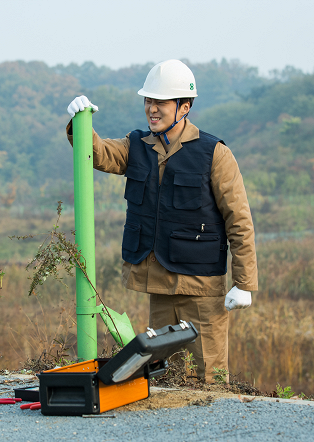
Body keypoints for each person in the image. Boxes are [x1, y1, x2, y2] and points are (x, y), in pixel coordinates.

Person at [65, 60, 257, 382]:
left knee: (207, 379)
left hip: (201, 289)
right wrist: (79, 125)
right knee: (164, 378)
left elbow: (239, 220)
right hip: (160, 285)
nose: (152, 109)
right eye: (148, 101)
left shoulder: (215, 154)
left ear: (184, 106)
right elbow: (98, 153)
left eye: (161, 102)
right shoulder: (137, 145)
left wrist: (245, 283)